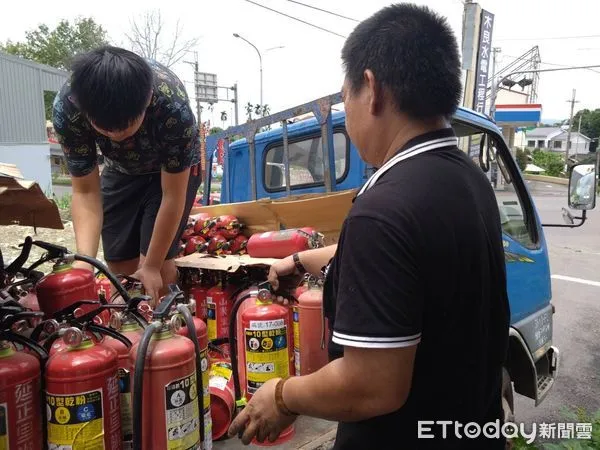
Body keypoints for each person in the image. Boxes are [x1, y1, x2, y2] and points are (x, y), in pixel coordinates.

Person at [228, 3, 510, 449]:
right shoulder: (466, 178)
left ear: (372, 89)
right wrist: (299, 260)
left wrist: (282, 395)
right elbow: (409, 262)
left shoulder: (384, 210)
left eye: (346, 97)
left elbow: (371, 384)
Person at [52, 46, 202, 303]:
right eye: (105, 129)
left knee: (158, 269)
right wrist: (84, 266)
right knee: (120, 269)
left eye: (126, 126)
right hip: (120, 170)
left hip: (170, 173)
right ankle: (127, 336)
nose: (116, 135)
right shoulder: (68, 110)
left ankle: (166, 327)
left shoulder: (173, 108)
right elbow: (86, 191)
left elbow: (172, 195)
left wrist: (152, 265)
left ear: (147, 100)